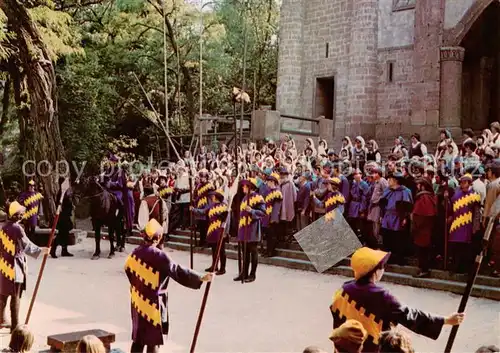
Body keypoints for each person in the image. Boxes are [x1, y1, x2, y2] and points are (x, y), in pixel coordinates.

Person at [330, 247, 465, 353]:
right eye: (382, 267)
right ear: (375, 271)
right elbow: (410, 315)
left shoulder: (342, 291)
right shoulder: (382, 296)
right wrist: (445, 320)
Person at [125, 218, 213, 353]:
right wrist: (200, 277)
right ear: (158, 237)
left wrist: (139, 286)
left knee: (138, 338)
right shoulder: (160, 256)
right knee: (152, 339)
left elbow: (127, 269)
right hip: (153, 303)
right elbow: (177, 271)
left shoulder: (134, 254)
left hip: (137, 300)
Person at [0, 201, 50, 331]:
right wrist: (42, 250)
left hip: (3, 265)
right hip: (14, 267)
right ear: (16, 215)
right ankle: (15, 327)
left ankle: (1, 319)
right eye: (21, 212)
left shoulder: (3, 227)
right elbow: (27, 246)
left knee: (3, 295)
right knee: (15, 297)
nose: (23, 214)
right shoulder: (17, 228)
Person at [234, 178, 266, 283]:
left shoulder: (258, 197)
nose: (243, 187)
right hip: (244, 227)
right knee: (245, 252)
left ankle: (252, 275)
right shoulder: (244, 198)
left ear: (249, 187)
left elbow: (263, 212)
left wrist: (252, 211)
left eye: (245, 186)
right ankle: (244, 273)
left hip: (253, 228)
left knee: (253, 251)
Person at [449, 174, 481, 273]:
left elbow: (476, 213)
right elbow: (450, 209)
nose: (462, 185)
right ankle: (454, 268)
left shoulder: (474, 196)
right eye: (461, 183)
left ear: (469, 183)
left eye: (464, 182)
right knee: (455, 248)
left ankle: (463, 269)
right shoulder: (456, 195)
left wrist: (475, 227)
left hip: (467, 226)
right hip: (456, 226)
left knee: (465, 249)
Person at [191, 189, 228, 275]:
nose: (212, 197)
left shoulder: (224, 206)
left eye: (213, 196)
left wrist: (225, 231)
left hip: (220, 230)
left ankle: (223, 268)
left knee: (221, 250)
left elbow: (226, 220)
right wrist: (194, 209)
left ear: (217, 197)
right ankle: (214, 266)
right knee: (214, 249)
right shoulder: (211, 206)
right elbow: (203, 211)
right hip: (212, 230)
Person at [379, 172, 413, 265]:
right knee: (387, 237)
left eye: (390, 179)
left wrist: (405, 217)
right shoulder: (387, 190)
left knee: (398, 238)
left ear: (396, 181)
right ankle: (388, 258)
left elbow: (407, 206)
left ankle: (399, 258)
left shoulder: (405, 191)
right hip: (387, 216)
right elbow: (383, 204)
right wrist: (382, 215)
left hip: (398, 217)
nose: (388, 181)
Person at [411, 178, 436, 277]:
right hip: (423, 229)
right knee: (422, 251)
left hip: (423, 229)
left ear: (423, 186)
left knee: (423, 251)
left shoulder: (424, 197)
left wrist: (416, 224)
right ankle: (423, 269)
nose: (417, 187)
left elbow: (423, 214)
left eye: (419, 185)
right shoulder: (427, 196)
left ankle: (424, 270)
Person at [50, 177, 74, 258]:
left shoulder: (65, 193)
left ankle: (64, 250)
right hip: (63, 217)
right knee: (61, 234)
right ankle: (53, 250)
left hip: (66, 215)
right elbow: (60, 205)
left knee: (66, 234)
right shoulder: (61, 193)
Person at [262, 172, 283, 257]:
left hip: (272, 217)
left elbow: (277, 207)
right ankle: (267, 250)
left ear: (273, 182)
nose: (267, 183)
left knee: (272, 235)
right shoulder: (268, 191)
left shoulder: (277, 193)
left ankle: (271, 251)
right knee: (268, 235)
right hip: (266, 216)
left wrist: (273, 218)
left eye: (269, 181)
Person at [193, 169, 214, 247]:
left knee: (206, 227)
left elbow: (211, 197)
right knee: (201, 227)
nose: (201, 178)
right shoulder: (199, 186)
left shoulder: (210, 186)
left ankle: (207, 242)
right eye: (201, 177)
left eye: (203, 177)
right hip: (200, 206)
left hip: (207, 205)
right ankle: (201, 241)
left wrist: (208, 207)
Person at [17, 180, 43, 245]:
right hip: (26, 214)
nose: (31, 187)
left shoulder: (37, 194)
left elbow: (40, 204)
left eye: (32, 186)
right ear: (28, 186)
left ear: (34, 186)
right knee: (26, 230)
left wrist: (39, 214)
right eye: (30, 186)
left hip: (34, 215)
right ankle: (26, 243)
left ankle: (32, 243)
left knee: (33, 230)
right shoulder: (24, 194)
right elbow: (20, 202)